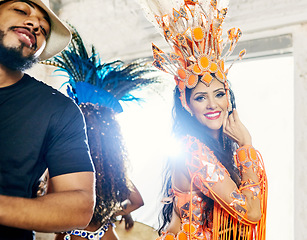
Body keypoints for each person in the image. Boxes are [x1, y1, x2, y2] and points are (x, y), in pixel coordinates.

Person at [139, 0, 268, 239]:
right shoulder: (192, 150)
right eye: (200, 97)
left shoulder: (219, 149)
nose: (212, 105)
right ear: (187, 105)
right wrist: (246, 147)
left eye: (219, 94)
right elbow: (250, 211)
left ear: (228, 97)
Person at [41, 26, 158, 240]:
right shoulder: (112, 167)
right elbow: (137, 201)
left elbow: (52, 214)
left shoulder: (65, 162)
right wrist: (108, 214)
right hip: (107, 233)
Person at [0, 1, 95, 239]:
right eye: (21, 11)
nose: (34, 24)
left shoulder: (58, 110)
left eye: (43, 29)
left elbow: (80, 206)